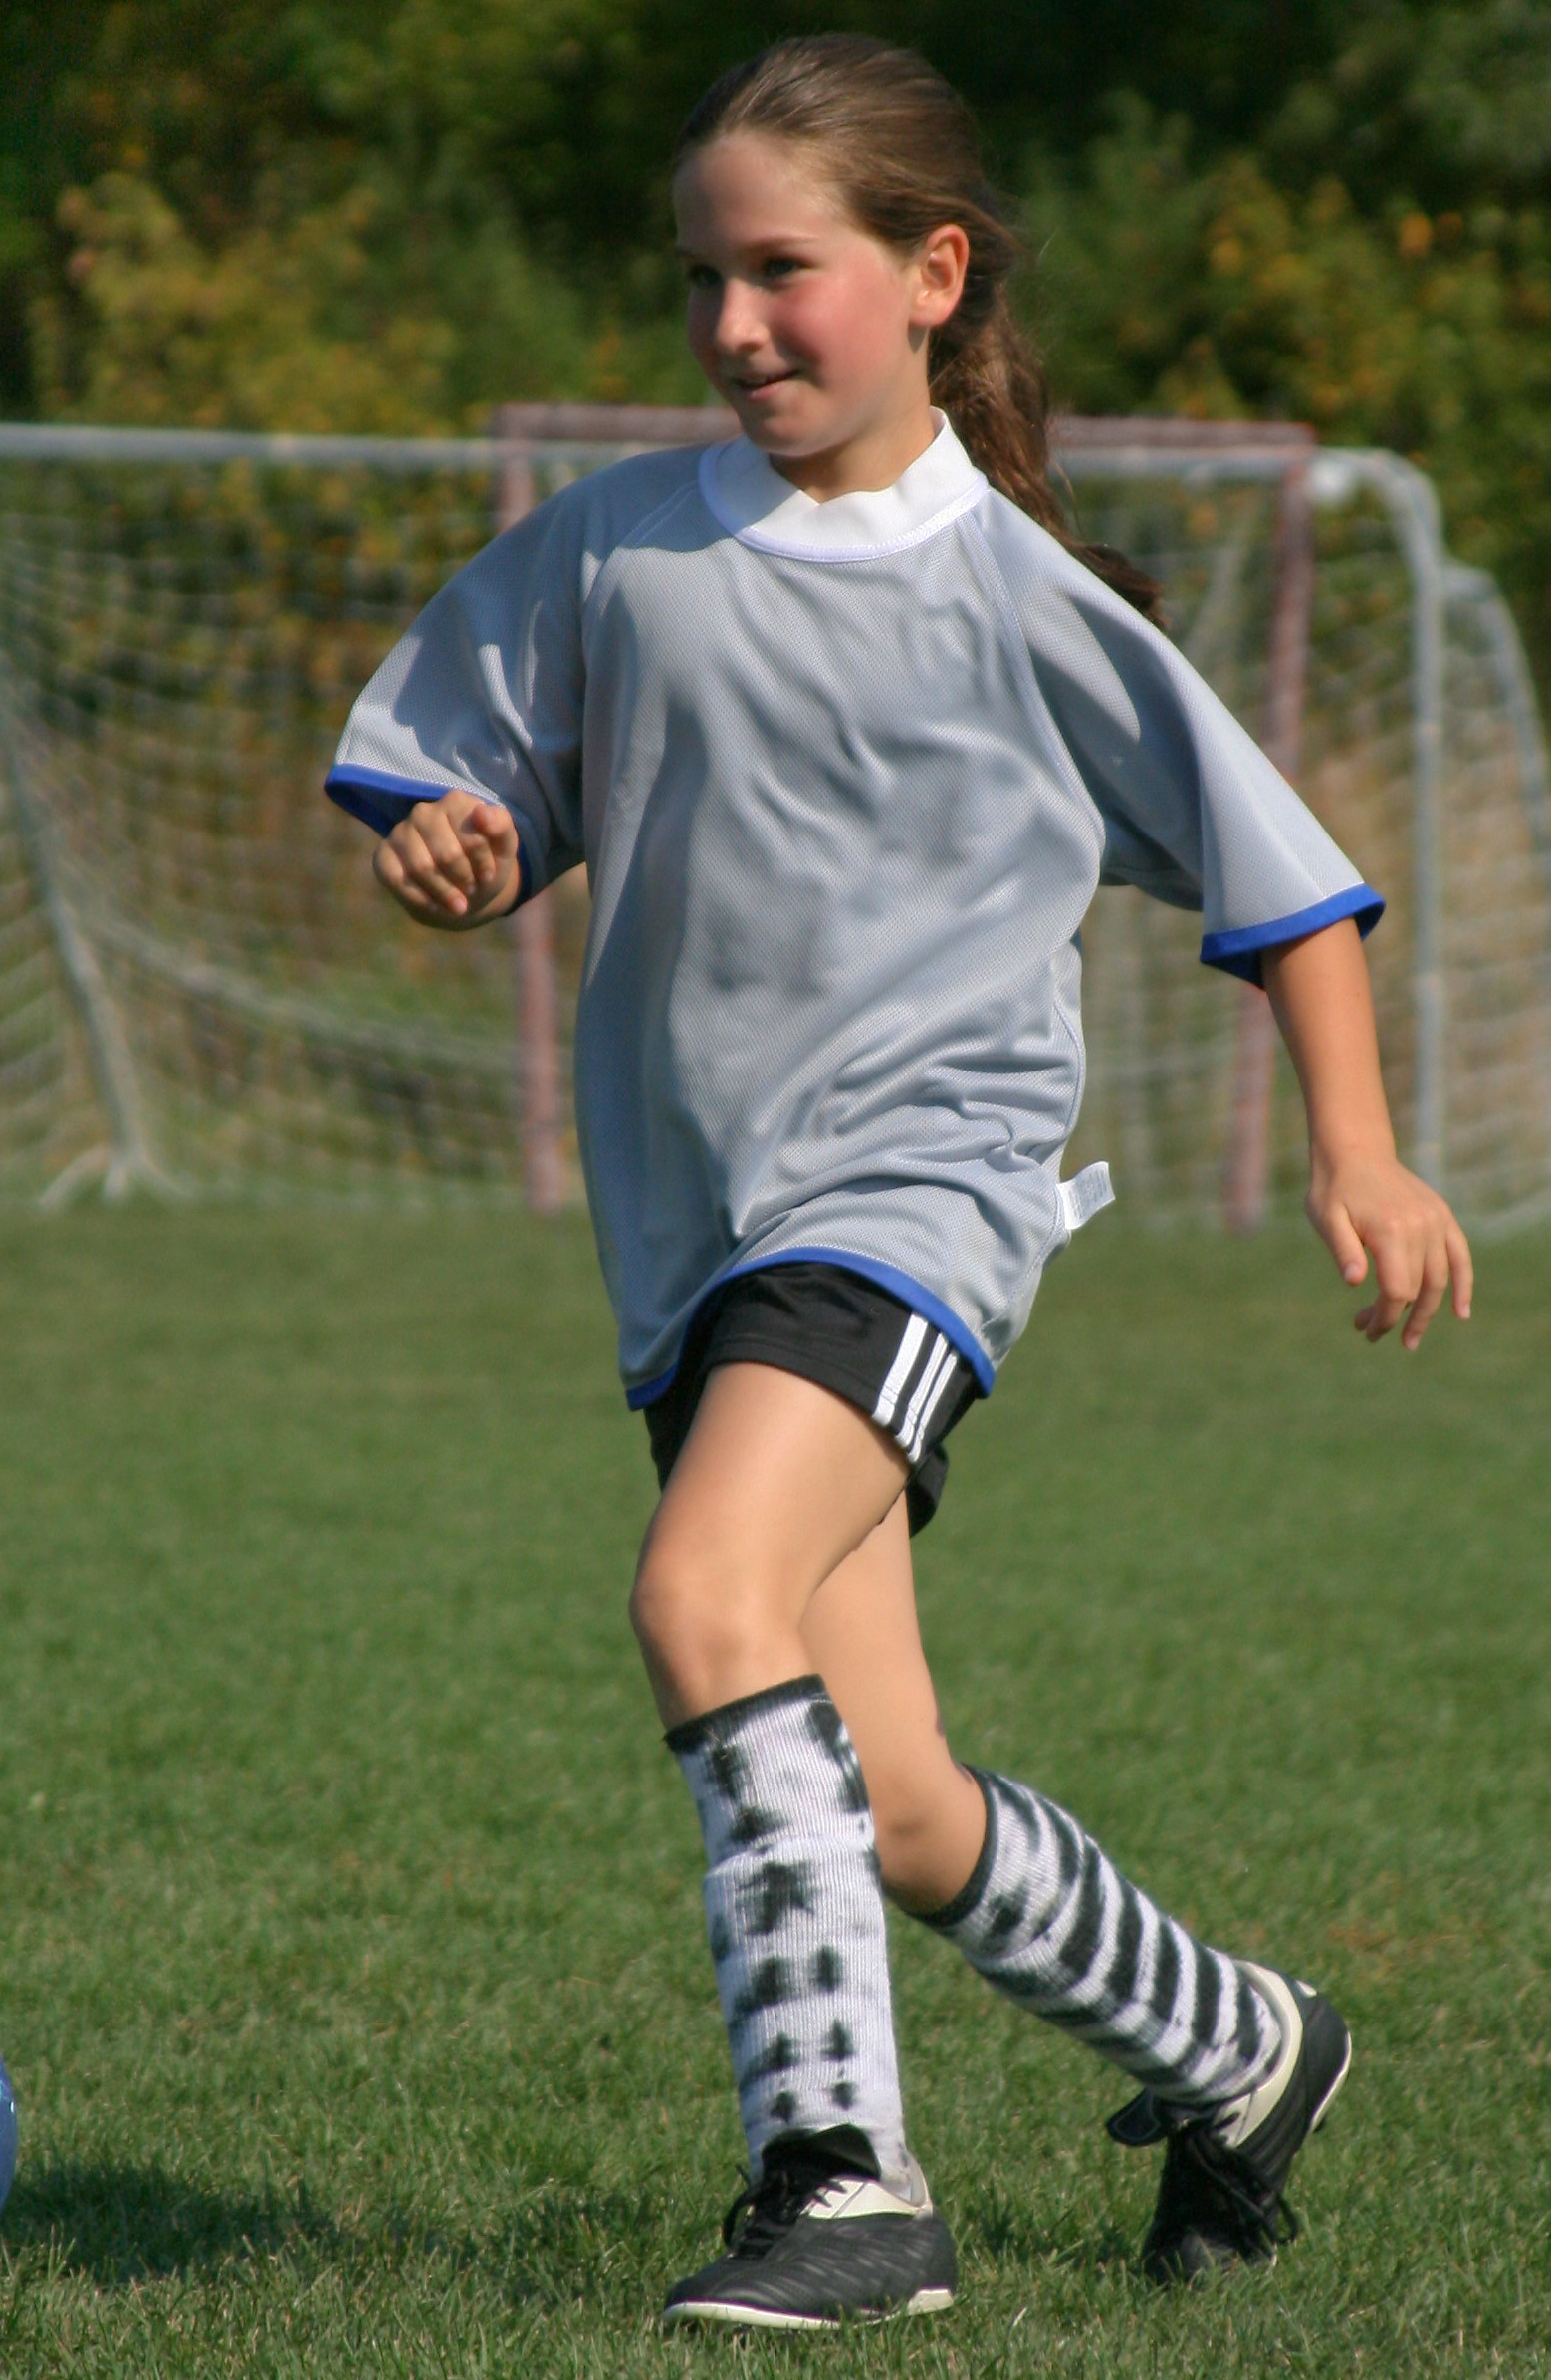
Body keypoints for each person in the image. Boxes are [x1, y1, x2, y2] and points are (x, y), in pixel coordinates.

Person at [323, 33, 1474, 2333]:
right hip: (700, 1233)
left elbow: (1288, 890)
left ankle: (842, 2183)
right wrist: (452, 856)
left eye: (786, 271)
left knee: (694, 1594)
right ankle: (1240, 2046)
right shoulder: (615, 547)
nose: (735, 322)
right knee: (900, 1794)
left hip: (914, 1201)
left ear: (929, 275)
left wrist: (1354, 1148)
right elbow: (460, 790)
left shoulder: (1022, 599)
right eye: (703, 279)